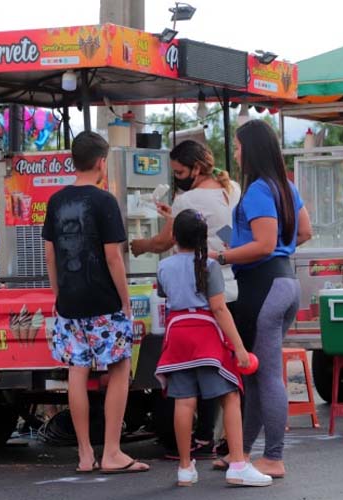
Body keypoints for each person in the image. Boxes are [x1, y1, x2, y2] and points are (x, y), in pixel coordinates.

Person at [43, 131, 149, 474]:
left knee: (77, 372)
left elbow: (50, 254)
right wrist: (125, 301)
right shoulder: (104, 201)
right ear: (102, 162)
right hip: (104, 299)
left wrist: (59, 294)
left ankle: (85, 454)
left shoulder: (56, 201)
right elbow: (113, 257)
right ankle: (113, 452)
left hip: (70, 301)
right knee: (118, 369)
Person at [211, 119, 312, 478]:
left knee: (266, 375)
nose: (235, 154)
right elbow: (304, 231)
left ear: (250, 149)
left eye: (237, 147)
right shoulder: (285, 186)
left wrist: (225, 256)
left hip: (263, 288)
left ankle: (273, 456)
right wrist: (263, 250)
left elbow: (265, 244)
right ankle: (241, 452)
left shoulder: (257, 190)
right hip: (284, 283)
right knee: (253, 374)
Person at [131, 139, 239, 459]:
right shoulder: (231, 188)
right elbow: (225, 231)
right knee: (222, 373)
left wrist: (140, 245)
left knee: (193, 382)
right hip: (232, 287)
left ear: (195, 168)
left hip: (202, 299)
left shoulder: (189, 199)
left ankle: (197, 445)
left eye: (179, 171)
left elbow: (167, 240)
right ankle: (224, 443)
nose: (177, 177)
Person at [155, 209, 273, 487]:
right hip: (205, 338)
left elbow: (164, 294)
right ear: (202, 239)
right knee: (230, 396)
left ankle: (185, 468)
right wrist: (240, 348)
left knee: (183, 401)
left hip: (177, 337)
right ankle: (238, 464)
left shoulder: (164, 267)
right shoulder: (208, 267)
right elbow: (219, 308)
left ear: (174, 237)